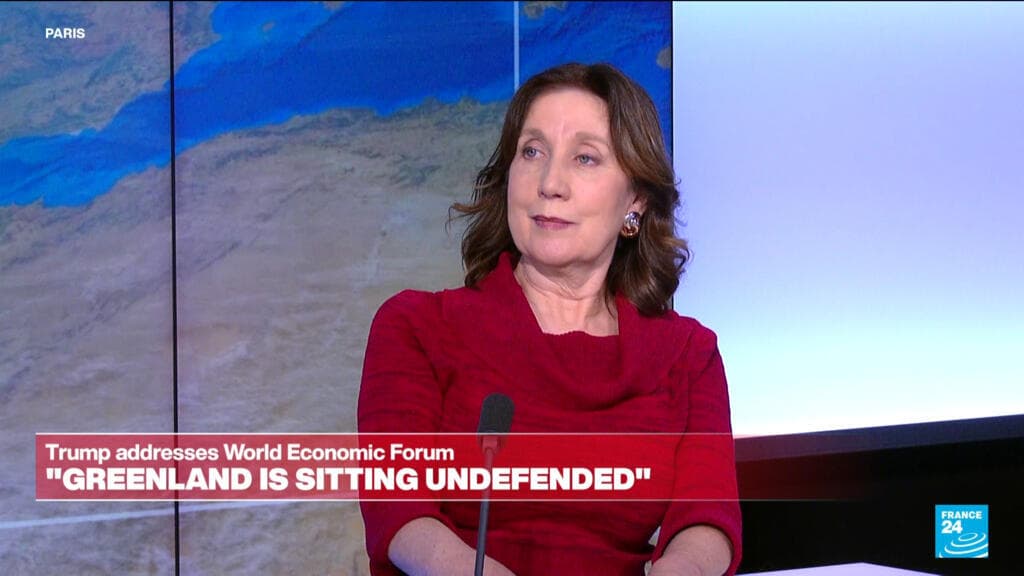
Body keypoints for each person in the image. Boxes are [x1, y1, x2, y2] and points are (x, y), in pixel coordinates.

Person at [358, 62, 741, 576]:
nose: (550, 183)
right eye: (532, 151)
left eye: (585, 158)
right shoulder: (416, 327)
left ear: (635, 201)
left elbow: (707, 519)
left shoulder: (687, 355)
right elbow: (399, 512)